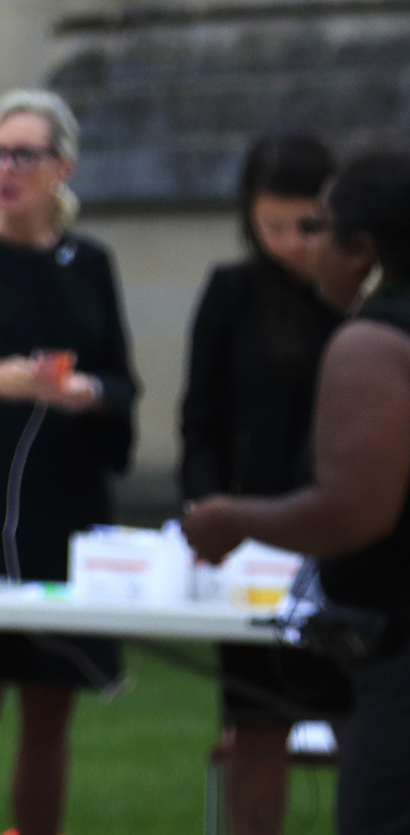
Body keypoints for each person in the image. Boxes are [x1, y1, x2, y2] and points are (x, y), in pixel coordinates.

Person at [0, 89, 140, 835]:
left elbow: (122, 382)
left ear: (62, 166)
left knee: (50, 700)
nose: (6, 169)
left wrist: (82, 391)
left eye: (23, 154)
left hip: (66, 501)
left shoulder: (89, 262)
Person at [185, 150, 410, 835]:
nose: (308, 247)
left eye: (322, 229)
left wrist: (231, 519)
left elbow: (354, 507)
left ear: (363, 249)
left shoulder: (371, 342)